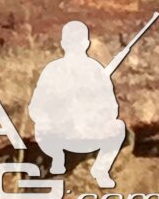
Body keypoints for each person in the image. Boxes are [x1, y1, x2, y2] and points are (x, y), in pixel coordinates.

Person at [30, 19, 131, 188]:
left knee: (118, 127)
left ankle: (100, 170)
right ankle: (57, 162)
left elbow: (112, 110)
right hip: (58, 134)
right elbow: (36, 109)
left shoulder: (96, 71)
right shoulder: (53, 70)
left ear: (86, 43)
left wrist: (91, 112)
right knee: (42, 128)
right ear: (63, 43)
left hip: (88, 133)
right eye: (71, 42)